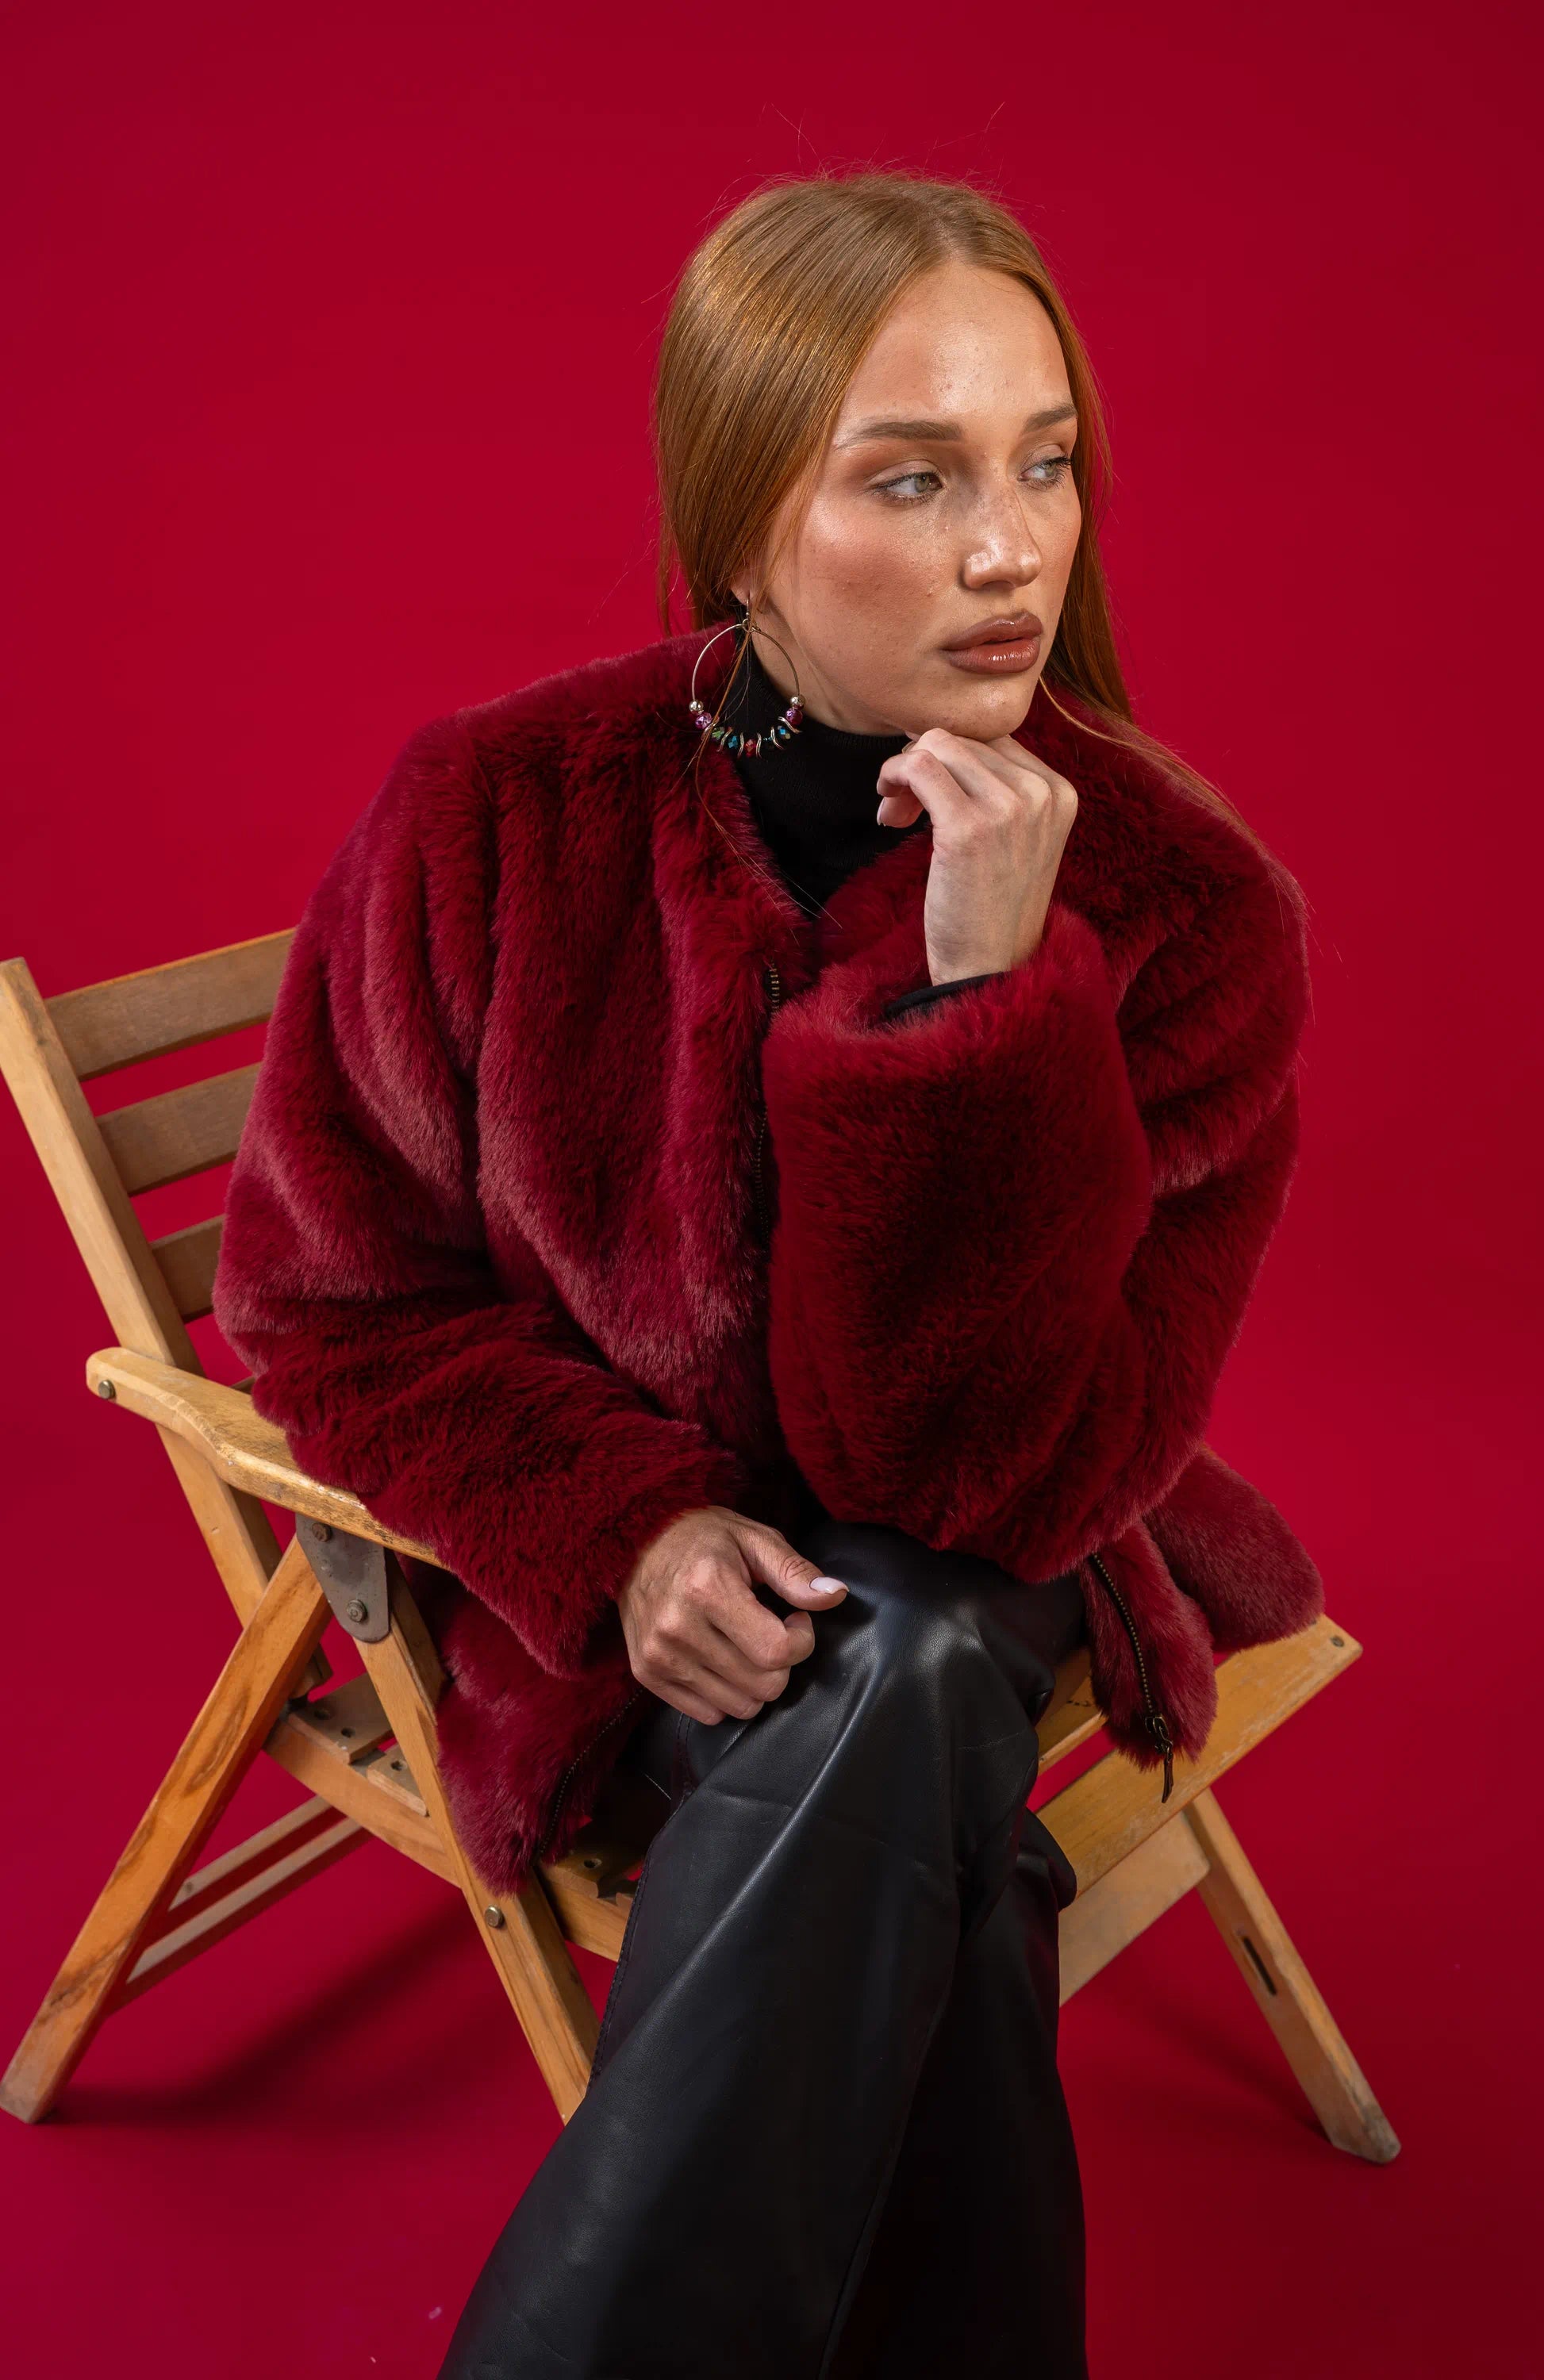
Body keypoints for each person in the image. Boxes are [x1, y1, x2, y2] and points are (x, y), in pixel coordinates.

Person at [213, 171, 1325, 2379]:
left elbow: (982, 1486)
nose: (1009, 548)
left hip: (1005, 1550)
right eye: (911, 479)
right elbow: (322, 1302)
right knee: (911, 1738)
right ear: (739, 521)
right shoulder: (493, 816)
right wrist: (620, 1530)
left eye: (1045, 462)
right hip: (638, 1645)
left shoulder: (1191, 918)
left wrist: (977, 1020)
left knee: (914, 1627)